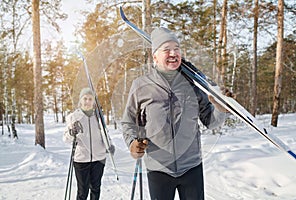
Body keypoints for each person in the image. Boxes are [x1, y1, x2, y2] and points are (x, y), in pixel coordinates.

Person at [121, 27, 229, 200]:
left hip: (191, 166)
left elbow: (210, 121)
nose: (173, 53)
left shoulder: (194, 84)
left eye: (176, 49)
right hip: (159, 169)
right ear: (155, 57)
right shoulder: (141, 85)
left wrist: (220, 109)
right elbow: (128, 122)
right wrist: (132, 143)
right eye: (167, 49)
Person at [63, 87, 114, 200]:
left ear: (94, 101)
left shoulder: (98, 116)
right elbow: (66, 139)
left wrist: (109, 145)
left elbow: (104, 132)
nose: (87, 101)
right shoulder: (74, 117)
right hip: (81, 159)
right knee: (83, 191)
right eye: (85, 98)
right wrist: (72, 133)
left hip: (99, 158)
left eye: (90, 99)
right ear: (80, 100)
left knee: (96, 188)